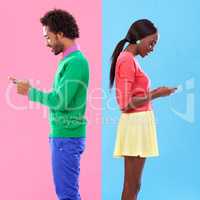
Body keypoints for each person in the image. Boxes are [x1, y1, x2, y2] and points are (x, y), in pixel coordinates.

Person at [9, 9, 89, 200]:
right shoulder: (68, 61)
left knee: (67, 196)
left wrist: (29, 91)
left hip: (67, 139)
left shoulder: (76, 62)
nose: (47, 43)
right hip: (62, 137)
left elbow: (59, 101)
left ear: (60, 34)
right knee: (66, 194)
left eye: (48, 37)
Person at [109, 19, 177, 200]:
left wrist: (155, 92)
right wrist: (156, 94)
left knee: (134, 185)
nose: (152, 48)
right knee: (132, 185)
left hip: (139, 124)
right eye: (151, 43)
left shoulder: (129, 60)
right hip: (135, 126)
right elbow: (124, 104)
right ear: (139, 39)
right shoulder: (126, 60)